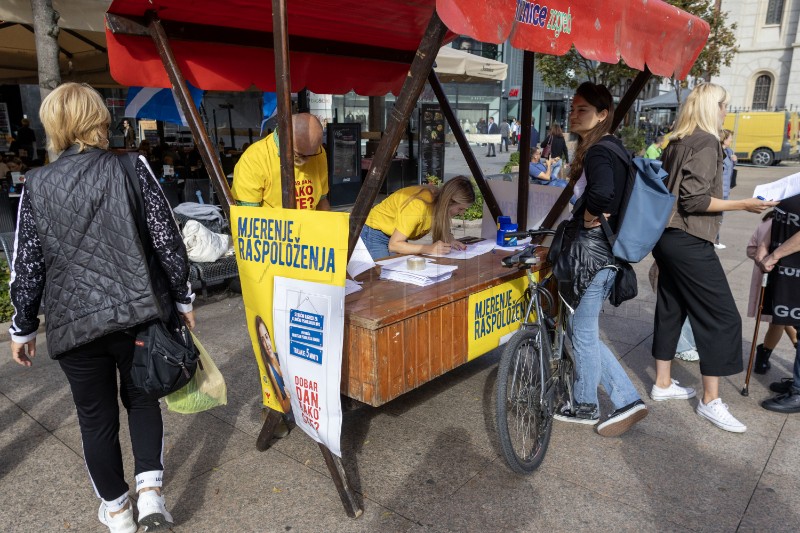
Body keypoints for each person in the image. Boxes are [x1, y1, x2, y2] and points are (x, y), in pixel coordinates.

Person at [8, 82, 194, 532]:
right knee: (143, 398)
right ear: (98, 118)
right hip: (138, 313)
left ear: (54, 124)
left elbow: (27, 263)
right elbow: (167, 238)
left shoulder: (35, 183)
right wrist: (184, 298)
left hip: (75, 324)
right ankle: (151, 495)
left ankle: (117, 513)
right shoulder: (132, 166)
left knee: (95, 418)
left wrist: (23, 327)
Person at [650, 83, 776, 433]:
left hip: (667, 237)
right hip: (689, 238)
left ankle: (662, 383)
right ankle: (710, 401)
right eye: (723, 105)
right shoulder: (706, 143)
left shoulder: (676, 142)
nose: (726, 111)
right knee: (722, 317)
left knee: (672, 306)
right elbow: (695, 202)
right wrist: (745, 204)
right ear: (711, 107)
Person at [551, 82, 648, 436]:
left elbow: (604, 192)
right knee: (583, 330)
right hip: (606, 254)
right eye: (573, 108)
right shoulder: (614, 148)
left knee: (583, 332)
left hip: (592, 253)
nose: (574, 115)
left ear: (603, 114)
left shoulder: (598, 152)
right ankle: (624, 399)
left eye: (583, 110)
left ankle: (586, 405)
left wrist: (591, 215)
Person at [359, 175, 475, 260]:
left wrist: (450, 239)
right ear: (448, 202)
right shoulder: (418, 206)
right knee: (382, 278)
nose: (462, 213)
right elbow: (394, 245)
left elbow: (442, 224)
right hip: (374, 232)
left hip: (394, 236)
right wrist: (429, 249)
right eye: (460, 209)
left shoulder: (438, 203)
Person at [232, 113, 330, 211]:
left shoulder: (318, 152)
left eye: (312, 153)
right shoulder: (254, 158)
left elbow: (322, 201)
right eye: (300, 154)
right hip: (272, 225)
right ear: (283, 137)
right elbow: (247, 216)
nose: (308, 159)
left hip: (309, 224)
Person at [759, 195, 800, 413]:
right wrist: (764, 245)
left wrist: (776, 254)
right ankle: (797, 381)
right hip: (790, 268)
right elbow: (779, 216)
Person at [747, 211, 798, 374]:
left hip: (772, 281)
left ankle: (764, 355)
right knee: (781, 320)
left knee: (780, 320)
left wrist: (762, 257)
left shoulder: (768, 221)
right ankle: (766, 354)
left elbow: (751, 250)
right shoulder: (779, 224)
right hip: (781, 282)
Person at [255, 315, 292, 414]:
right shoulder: (270, 370)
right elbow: (285, 408)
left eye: (266, 337)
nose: (267, 344)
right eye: (262, 340)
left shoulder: (280, 355)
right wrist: (288, 397)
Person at [715, 129, 738, 249]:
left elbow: (730, 169)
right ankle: (714, 239)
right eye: (730, 138)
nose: (731, 140)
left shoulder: (729, 151)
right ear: (724, 139)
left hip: (726, 189)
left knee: (720, 216)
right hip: (719, 189)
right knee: (716, 216)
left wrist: (735, 161)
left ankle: (715, 239)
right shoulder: (717, 152)